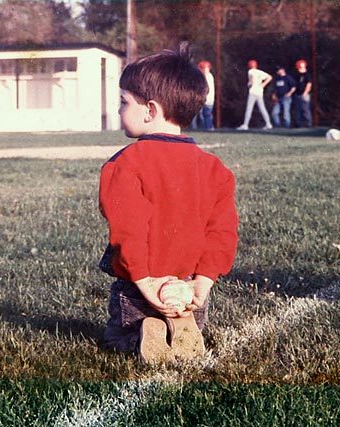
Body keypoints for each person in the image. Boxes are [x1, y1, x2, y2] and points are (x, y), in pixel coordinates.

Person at [99, 46, 239, 364]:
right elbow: (222, 232)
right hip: (188, 286)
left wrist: (146, 283)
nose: (120, 110)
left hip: (140, 285)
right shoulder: (215, 168)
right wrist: (202, 283)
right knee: (185, 319)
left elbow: (128, 230)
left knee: (117, 338)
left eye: (124, 102)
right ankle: (181, 324)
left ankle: (139, 334)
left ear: (150, 110)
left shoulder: (125, 164)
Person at [237, 59, 273, 131]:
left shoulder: (250, 71)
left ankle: (245, 125)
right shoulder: (259, 72)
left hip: (253, 91)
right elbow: (270, 77)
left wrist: (249, 84)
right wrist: (263, 84)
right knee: (262, 108)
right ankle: (268, 123)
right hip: (259, 91)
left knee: (249, 108)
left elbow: (251, 80)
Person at [197, 60, 215, 130]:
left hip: (207, 100)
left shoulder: (208, 77)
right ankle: (205, 128)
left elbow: (206, 89)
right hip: (205, 99)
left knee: (207, 114)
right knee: (203, 115)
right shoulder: (207, 76)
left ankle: (209, 128)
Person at [294, 59, 313, 128]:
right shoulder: (298, 75)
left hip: (304, 94)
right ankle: (299, 124)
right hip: (298, 94)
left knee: (305, 109)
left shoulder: (307, 75)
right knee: (298, 110)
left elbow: (309, 84)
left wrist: (305, 93)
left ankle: (309, 124)